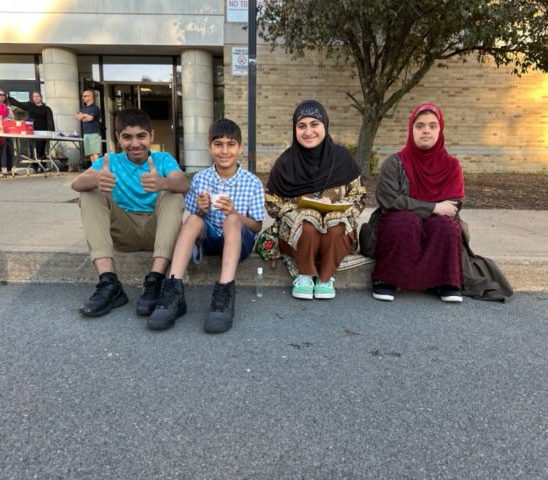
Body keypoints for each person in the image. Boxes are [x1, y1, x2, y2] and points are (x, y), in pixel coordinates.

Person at [360, 102, 513, 302]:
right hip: (400, 224)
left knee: (444, 226)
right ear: (411, 130)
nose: (426, 131)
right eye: (420, 126)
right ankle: (386, 279)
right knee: (404, 221)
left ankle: (446, 281)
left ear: (440, 130)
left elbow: (452, 207)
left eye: (432, 126)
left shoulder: (451, 166)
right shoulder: (395, 163)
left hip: (433, 223)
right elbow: (389, 200)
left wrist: (421, 208)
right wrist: (433, 207)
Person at [147, 119, 264, 333]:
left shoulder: (252, 182)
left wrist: (234, 213)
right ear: (209, 147)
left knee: (232, 220)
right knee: (192, 219)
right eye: (218, 144)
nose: (224, 150)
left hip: (239, 242)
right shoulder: (201, 179)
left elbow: (256, 226)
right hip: (209, 238)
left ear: (240, 148)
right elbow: (193, 220)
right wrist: (201, 210)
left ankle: (224, 292)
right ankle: (174, 290)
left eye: (231, 144)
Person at [71, 108, 188, 318]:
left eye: (141, 136)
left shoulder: (162, 159)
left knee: (173, 193)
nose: (135, 144)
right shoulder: (110, 162)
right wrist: (94, 180)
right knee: (89, 193)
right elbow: (76, 184)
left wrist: (163, 182)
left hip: (158, 232)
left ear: (151, 136)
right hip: (124, 233)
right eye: (127, 137)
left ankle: (155, 280)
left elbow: (182, 183)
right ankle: (109, 283)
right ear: (118, 138)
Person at [265, 100, 367, 300]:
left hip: (335, 232)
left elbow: (359, 197)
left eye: (314, 124)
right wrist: (297, 211)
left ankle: (325, 278)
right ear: (294, 129)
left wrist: (337, 208)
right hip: (299, 233)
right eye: (301, 126)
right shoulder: (286, 162)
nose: (308, 131)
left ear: (325, 126)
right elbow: (271, 201)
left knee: (335, 226)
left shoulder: (342, 158)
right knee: (308, 225)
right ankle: (304, 275)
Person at [8, 90, 55, 171]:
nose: (35, 98)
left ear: (41, 97)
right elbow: (19, 104)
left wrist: (52, 133)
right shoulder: (30, 105)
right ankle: (35, 167)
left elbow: (50, 121)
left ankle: (43, 167)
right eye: (34, 97)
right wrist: (9, 97)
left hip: (42, 133)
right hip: (31, 132)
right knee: (33, 150)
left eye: (37, 96)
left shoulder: (46, 109)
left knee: (41, 150)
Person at [75, 89, 102, 164]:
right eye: (83, 96)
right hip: (86, 133)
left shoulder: (95, 108)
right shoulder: (83, 108)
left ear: (91, 97)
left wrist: (83, 116)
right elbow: (77, 116)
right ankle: (94, 169)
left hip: (94, 132)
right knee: (90, 153)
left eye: (85, 96)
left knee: (95, 152)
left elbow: (90, 118)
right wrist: (85, 116)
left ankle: (98, 170)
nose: (83, 97)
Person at [0, 87, 14, 178]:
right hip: (0, 131)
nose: (1, 96)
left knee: (9, 150)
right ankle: (1, 170)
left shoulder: (8, 107)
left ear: (5, 97)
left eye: (3, 95)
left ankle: (9, 170)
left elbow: (12, 118)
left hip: (8, 131)